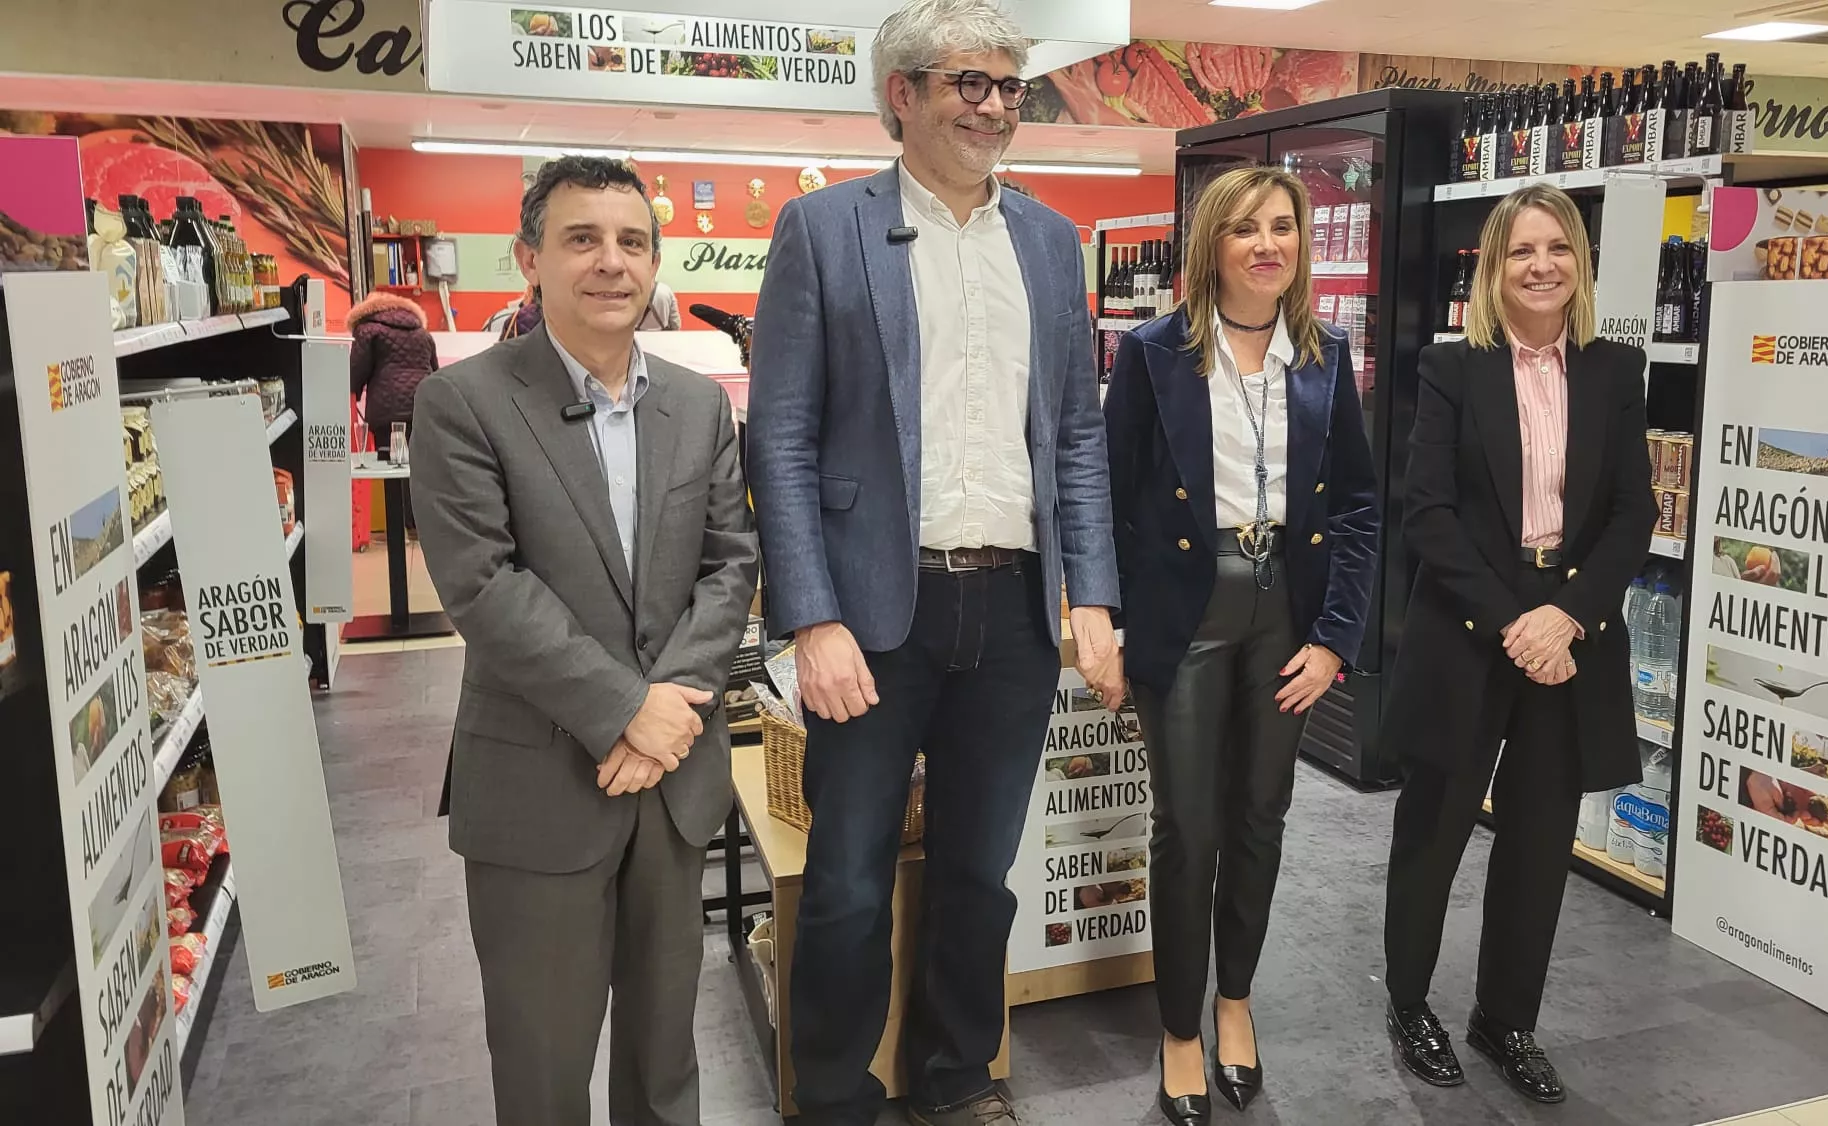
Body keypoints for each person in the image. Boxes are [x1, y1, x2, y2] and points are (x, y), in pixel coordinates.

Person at [746, 1, 1122, 1122]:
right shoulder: (823, 229)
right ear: (898, 95)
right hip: (868, 615)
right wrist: (808, 617)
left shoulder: (1051, 244)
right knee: (850, 878)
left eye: (1009, 86)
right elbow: (779, 434)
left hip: (1010, 611)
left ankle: (959, 1077)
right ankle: (828, 1094)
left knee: (977, 870)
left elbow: (1075, 435)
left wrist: (1090, 592)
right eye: (969, 82)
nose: (995, 105)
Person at [409, 155, 759, 1126]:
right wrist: (624, 711)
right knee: (543, 1066)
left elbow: (730, 565)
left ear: (655, 263)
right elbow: (481, 586)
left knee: (664, 1064)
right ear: (529, 257)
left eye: (631, 242)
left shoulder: (694, 407)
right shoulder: (463, 403)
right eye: (581, 239)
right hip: (539, 783)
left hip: (671, 781)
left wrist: (669, 709)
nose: (611, 262)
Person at [1104, 165, 1378, 1126]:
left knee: (1263, 816)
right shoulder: (1151, 354)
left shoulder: (1324, 356)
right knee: (1189, 828)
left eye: (1284, 229)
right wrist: (1106, 616)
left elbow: (1355, 508)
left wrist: (1336, 639)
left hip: (1286, 617)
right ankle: (1179, 1025)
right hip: (1186, 615)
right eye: (1247, 229)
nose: (1269, 245)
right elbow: (1107, 496)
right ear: (1211, 244)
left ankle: (1235, 1004)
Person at [1379, 183, 1654, 1105]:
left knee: (1540, 837)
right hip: (1472, 623)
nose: (1541, 267)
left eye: (1558, 249)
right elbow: (1428, 514)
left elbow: (1630, 514)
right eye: (1520, 252)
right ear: (1493, 272)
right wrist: (1514, 621)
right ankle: (1410, 1003)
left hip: (1568, 632)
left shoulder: (1616, 371)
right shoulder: (1453, 370)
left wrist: (1566, 614)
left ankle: (1507, 1019)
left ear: (1581, 263)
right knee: (1436, 828)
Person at [348, 288, 438, 452]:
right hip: (423, 407)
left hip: (386, 409)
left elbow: (355, 371)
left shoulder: (367, 329)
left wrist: (354, 391)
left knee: (388, 463)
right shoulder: (423, 334)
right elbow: (435, 373)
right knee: (418, 462)